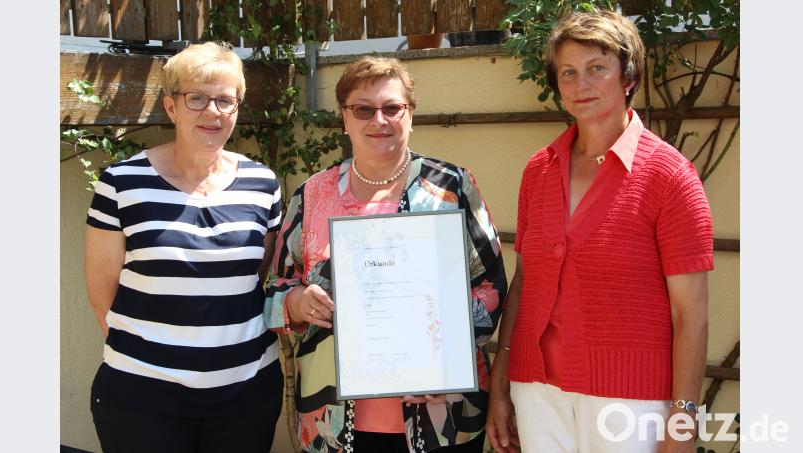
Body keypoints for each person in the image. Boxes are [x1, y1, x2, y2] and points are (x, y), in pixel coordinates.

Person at [485, 9, 713, 453]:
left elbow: (693, 315)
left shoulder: (669, 176)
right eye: (568, 73)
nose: (580, 84)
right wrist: (502, 381)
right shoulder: (539, 171)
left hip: (630, 401)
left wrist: (682, 421)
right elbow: (525, 285)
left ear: (628, 77)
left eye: (596, 68)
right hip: (536, 394)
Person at [264, 56, 507, 453]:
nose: (379, 120)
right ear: (345, 118)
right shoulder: (312, 195)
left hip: (440, 415)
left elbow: (491, 285)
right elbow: (276, 290)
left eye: (393, 108)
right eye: (363, 109)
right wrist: (295, 301)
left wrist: (445, 363)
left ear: (410, 114)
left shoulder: (451, 187)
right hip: (332, 420)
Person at [84, 42, 283, 452]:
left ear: (236, 110)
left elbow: (257, 278)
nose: (212, 111)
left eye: (225, 100)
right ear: (172, 107)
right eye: (197, 98)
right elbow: (101, 296)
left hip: (245, 394)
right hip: (142, 398)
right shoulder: (122, 183)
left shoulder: (263, 183)